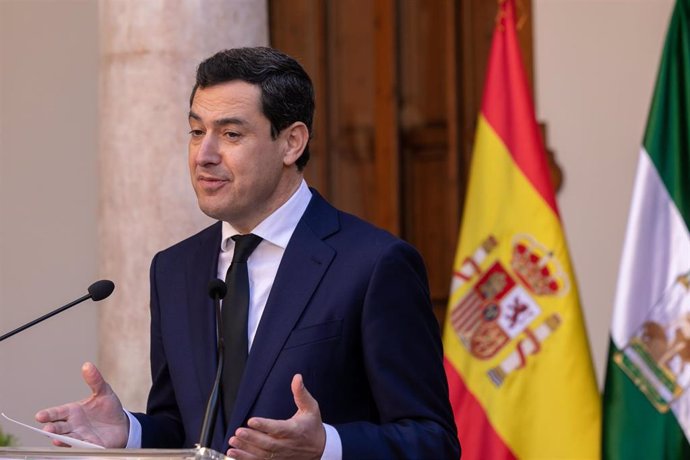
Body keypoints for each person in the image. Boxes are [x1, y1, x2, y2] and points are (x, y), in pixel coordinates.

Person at [36, 47, 460, 459]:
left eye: (231, 134)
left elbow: (431, 440)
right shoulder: (175, 269)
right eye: (197, 131)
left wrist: (327, 446)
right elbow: (190, 429)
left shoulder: (374, 264)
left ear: (291, 143)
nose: (204, 155)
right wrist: (130, 431)